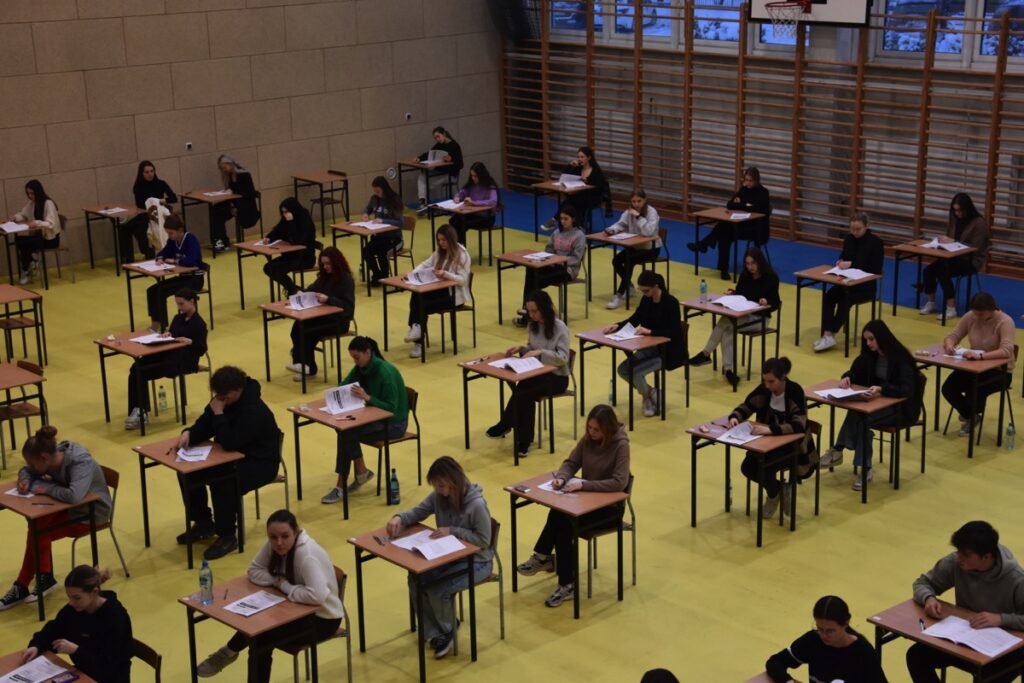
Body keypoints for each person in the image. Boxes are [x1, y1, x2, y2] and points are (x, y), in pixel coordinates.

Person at [195, 510, 343, 682]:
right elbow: (253, 570)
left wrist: (284, 586)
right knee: (256, 624)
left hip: (323, 619)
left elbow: (317, 596)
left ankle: (227, 652)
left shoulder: (306, 555)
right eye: (273, 537)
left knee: (260, 639)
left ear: (295, 532)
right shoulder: (275, 545)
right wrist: (275, 581)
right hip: (295, 609)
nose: (279, 543)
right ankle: (228, 652)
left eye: (285, 536)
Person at [516, 404, 630, 608]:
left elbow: (619, 482)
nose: (591, 433)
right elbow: (571, 463)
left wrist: (584, 485)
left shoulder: (621, 445)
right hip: (585, 502)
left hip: (609, 509)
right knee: (558, 513)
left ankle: (558, 574)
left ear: (607, 429)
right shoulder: (587, 440)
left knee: (563, 526)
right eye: (589, 428)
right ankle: (550, 565)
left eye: (596, 430)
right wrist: (562, 477)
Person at [385, 456, 492, 659]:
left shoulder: (476, 505)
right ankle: (436, 631)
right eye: (436, 486)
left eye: (441, 486)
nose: (439, 490)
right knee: (416, 579)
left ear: (454, 482)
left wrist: (453, 531)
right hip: (449, 556)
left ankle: (448, 629)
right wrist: (399, 517)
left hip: (478, 561)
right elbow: (418, 512)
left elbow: (484, 540)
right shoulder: (439, 495)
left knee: (438, 589)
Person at [176, 366, 281, 560]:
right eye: (218, 396)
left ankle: (227, 536)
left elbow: (231, 442)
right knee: (187, 471)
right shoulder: (223, 398)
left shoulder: (253, 410)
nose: (220, 399)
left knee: (222, 481)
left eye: (224, 397)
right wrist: (189, 433)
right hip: (230, 457)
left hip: (260, 463)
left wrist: (219, 414)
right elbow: (205, 423)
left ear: (237, 390)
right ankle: (203, 522)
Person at [0, 427, 112, 609]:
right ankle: (36, 580)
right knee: (37, 525)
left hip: (92, 513)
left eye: (33, 463)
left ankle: (30, 582)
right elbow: (26, 470)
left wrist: (46, 488)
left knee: (39, 532)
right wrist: (25, 480)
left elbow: (74, 495)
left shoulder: (79, 462)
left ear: (44, 458)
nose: (32, 467)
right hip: (68, 508)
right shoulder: (50, 457)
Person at [908, 520, 1024, 683]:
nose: (959, 557)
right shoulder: (957, 562)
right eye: (958, 551)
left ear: (986, 556)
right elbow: (922, 583)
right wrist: (928, 598)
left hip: (1003, 648)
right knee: (917, 656)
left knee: (989, 677)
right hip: (965, 638)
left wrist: (1001, 618)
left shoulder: (1016, 579)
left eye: (966, 555)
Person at [820, 320, 920, 490]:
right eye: (866, 339)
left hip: (900, 409)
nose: (868, 343)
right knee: (858, 412)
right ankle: (856, 462)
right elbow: (855, 371)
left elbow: (907, 389)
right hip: (876, 404)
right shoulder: (869, 356)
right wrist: (847, 378)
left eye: (871, 339)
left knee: (862, 419)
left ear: (882, 337)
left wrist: (883, 389)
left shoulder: (901, 358)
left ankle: (845, 455)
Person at [321, 337, 408, 504]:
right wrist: (336, 394)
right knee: (345, 431)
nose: (355, 361)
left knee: (346, 434)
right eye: (353, 358)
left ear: (368, 352)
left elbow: (391, 408)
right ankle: (360, 472)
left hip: (394, 424)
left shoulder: (386, 373)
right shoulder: (362, 367)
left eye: (357, 357)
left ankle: (343, 484)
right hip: (374, 417)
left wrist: (367, 397)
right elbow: (345, 384)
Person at [727, 357, 817, 519]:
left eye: (771, 381)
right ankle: (779, 489)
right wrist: (735, 416)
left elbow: (799, 425)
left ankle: (772, 496)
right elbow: (747, 406)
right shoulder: (764, 390)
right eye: (765, 381)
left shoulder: (794, 391)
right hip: (766, 444)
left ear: (783, 378)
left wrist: (771, 429)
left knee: (765, 468)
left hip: (792, 447)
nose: (767, 385)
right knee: (747, 467)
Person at [486, 289, 570, 458]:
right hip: (536, 374)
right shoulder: (533, 325)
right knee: (526, 392)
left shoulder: (560, 327)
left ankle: (506, 424)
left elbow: (563, 358)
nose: (531, 315)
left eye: (534, 311)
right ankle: (523, 441)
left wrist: (541, 353)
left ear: (544, 308)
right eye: (529, 311)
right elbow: (531, 348)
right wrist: (521, 348)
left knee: (524, 390)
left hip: (557, 378)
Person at [688, 246, 781, 389]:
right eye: (747, 263)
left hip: (760, 319)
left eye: (753, 263)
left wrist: (766, 301)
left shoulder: (771, 278)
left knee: (726, 321)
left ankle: (706, 354)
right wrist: (732, 294)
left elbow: (776, 303)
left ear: (760, 262)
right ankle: (729, 371)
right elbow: (741, 295)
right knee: (728, 329)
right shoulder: (745, 276)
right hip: (743, 315)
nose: (750, 267)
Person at [20, 566, 133, 682]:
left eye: (77, 598)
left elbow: (109, 666)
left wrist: (76, 650)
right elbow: (52, 630)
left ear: (94, 592)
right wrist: (36, 646)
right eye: (69, 597)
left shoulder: (115, 617)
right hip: (83, 672)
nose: (71, 602)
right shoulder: (75, 609)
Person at [602, 271, 686, 418]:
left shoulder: (671, 302)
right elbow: (636, 318)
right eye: (641, 291)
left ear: (656, 286)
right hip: (649, 348)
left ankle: (646, 399)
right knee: (622, 370)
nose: (644, 294)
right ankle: (651, 393)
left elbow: (674, 332)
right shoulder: (646, 300)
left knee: (635, 372)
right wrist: (618, 325)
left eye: (646, 291)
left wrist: (651, 331)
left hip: (667, 352)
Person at [125, 288, 209, 430]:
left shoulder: (199, 324)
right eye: (177, 304)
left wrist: (190, 342)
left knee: (141, 372)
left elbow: (201, 349)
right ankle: (139, 410)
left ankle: (140, 411)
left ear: (192, 302)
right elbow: (172, 335)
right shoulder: (178, 318)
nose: (179, 307)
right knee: (136, 367)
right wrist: (167, 334)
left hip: (184, 361)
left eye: (181, 304)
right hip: (170, 355)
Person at [765, 595, 889, 683]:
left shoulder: (862, 652)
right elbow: (775, 662)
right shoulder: (812, 640)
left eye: (830, 631)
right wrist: (788, 681)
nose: (823, 635)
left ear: (845, 623)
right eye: (820, 628)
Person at [941, 292, 1015, 436]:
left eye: (981, 314)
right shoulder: (971, 316)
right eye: (975, 313)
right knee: (948, 387)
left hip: (1000, 371)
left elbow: (1007, 350)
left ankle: (970, 417)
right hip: (975, 366)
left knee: (975, 389)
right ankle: (971, 415)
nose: (977, 317)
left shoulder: (1005, 321)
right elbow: (954, 335)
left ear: (992, 309)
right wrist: (949, 344)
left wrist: (981, 356)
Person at [812, 212, 884, 353]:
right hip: (846, 282)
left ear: (866, 226)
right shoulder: (849, 239)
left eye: (858, 229)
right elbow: (844, 256)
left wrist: (851, 264)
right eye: (852, 229)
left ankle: (830, 334)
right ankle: (827, 334)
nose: (855, 232)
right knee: (829, 296)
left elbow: (875, 268)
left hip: (865, 287)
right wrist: (840, 262)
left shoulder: (876, 242)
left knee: (845, 300)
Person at [687, 167, 772, 280]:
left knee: (723, 228)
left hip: (756, 228)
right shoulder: (744, 190)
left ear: (756, 180)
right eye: (746, 180)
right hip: (741, 225)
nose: (748, 183)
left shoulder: (763, 192)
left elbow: (761, 210)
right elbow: (730, 204)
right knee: (724, 232)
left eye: (750, 180)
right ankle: (723, 271)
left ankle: (704, 245)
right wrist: (746, 206)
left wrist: (742, 205)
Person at [286, 246, 355, 382]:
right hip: (324, 317)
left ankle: (308, 367)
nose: (325, 267)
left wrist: (328, 299)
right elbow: (312, 289)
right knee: (297, 327)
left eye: (328, 264)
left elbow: (348, 307)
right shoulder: (324, 277)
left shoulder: (346, 279)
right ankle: (300, 364)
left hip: (339, 321)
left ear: (336, 262)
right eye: (323, 264)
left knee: (307, 332)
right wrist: (301, 293)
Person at [403, 223, 471, 359]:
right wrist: (412, 274)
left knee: (422, 305)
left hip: (454, 296)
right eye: (439, 240)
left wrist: (446, 274)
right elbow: (425, 264)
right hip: (440, 291)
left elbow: (463, 280)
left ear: (451, 239)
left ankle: (418, 340)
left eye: (444, 240)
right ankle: (416, 328)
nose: (441, 243)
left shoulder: (462, 255)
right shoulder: (439, 252)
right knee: (417, 294)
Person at [918, 193, 991, 320]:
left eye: (960, 210)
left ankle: (951, 308)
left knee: (942, 272)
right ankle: (931, 302)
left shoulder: (979, 223)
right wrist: (941, 242)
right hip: (952, 257)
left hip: (970, 260)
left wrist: (953, 242)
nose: (957, 213)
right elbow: (950, 237)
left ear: (967, 208)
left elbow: (975, 247)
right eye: (955, 210)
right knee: (928, 271)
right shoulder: (954, 218)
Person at [512, 204, 585, 328]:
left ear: (573, 219)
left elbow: (576, 259)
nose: (562, 221)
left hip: (568, 269)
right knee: (531, 270)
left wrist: (558, 261)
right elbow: (549, 249)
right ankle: (531, 311)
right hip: (552, 265)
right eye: (561, 219)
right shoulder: (556, 233)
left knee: (535, 282)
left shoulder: (579, 235)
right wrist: (548, 260)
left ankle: (530, 313)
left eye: (566, 219)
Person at [146, 214, 206, 333]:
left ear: (180, 230)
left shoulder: (191, 239)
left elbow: (192, 261)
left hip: (195, 279)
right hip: (183, 277)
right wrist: (161, 258)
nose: (169, 236)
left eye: (171, 233)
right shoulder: (172, 241)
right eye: (168, 233)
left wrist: (175, 261)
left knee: (160, 291)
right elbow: (163, 252)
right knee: (152, 290)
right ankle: (157, 322)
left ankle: (161, 325)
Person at [604, 189, 662, 310]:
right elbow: (621, 224)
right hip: (635, 247)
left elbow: (648, 232)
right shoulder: (629, 212)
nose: (636, 204)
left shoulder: (652, 212)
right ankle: (629, 286)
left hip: (651, 248)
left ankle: (619, 294)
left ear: (645, 200)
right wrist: (612, 229)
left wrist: (638, 216)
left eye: (639, 201)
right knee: (616, 260)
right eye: (633, 201)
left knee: (629, 260)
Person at [121, 160, 177, 263]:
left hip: (158, 214)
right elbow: (140, 205)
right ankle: (128, 259)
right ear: (142, 174)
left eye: (152, 171)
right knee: (124, 228)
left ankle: (149, 253)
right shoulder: (138, 187)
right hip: (145, 214)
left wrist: (159, 201)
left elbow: (174, 198)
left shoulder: (161, 183)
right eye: (146, 172)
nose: (150, 174)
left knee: (142, 230)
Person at [540, 146, 608, 232]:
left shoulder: (595, 171)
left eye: (582, 157)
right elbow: (564, 177)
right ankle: (574, 225)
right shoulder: (578, 168)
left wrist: (587, 182)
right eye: (578, 157)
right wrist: (570, 166)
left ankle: (556, 220)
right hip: (578, 195)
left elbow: (599, 187)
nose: (580, 159)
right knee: (571, 201)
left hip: (592, 197)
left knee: (571, 202)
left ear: (589, 158)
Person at [262, 197, 317, 297]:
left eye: (286, 212)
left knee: (277, 270)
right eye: (283, 212)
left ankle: (292, 290)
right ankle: (293, 289)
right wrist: (269, 238)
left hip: (304, 257)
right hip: (290, 256)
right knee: (268, 267)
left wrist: (291, 222)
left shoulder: (304, 219)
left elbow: (296, 240)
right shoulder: (286, 218)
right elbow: (277, 230)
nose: (285, 214)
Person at [10, 179, 61, 285]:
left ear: (38, 191)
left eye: (32, 193)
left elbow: (51, 223)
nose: (30, 196)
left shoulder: (48, 203)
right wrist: (16, 217)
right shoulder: (32, 203)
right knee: (18, 240)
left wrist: (37, 223)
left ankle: (28, 269)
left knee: (24, 244)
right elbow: (23, 214)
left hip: (50, 239)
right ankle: (31, 264)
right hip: (39, 237)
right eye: (28, 193)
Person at [209, 154, 259, 252]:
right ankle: (220, 242)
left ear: (230, 164)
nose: (224, 170)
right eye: (222, 169)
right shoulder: (229, 175)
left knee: (219, 212)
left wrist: (233, 197)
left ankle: (222, 243)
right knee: (215, 210)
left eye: (224, 167)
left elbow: (250, 194)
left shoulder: (244, 175)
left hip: (245, 205)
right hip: (234, 203)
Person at [361, 176, 406, 284]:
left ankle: (385, 277)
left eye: (378, 191)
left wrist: (383, 221)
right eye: (374, 191)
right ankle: (377, 274)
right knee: (366, 251)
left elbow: (400, 223)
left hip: (394, 239)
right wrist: (366, 214)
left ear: (384, 189)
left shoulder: (394, 200)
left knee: (382, 253)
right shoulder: (375, 199)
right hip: (379, 238)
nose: (376, 193)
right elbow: (368, 208)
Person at [417, 126, 464, 214]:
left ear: (444, 134)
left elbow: (460, 164)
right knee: (422, 175)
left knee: (426, 182)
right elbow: (429, 154)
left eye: (438, 136)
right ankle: (422, 201)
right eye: (435, 138)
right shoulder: (439, 145)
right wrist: (419, 158)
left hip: (450, 174)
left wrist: (451, 159)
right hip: (440, 173)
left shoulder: (455, 146)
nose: (437, 139)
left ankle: (426, 205)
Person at [450, 161, 499, 245]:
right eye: (472, 175)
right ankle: (457, 245)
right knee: (454, 220)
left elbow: (493, 201)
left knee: (462, 223)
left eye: (475, 176)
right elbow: (462, 192)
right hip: (474, 214)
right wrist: (457, 197)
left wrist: (474, 202)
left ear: (481, 175)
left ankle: (461, 247)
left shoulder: (490, 186)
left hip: (486, 217)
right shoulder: (471, 185)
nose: (473, 178)